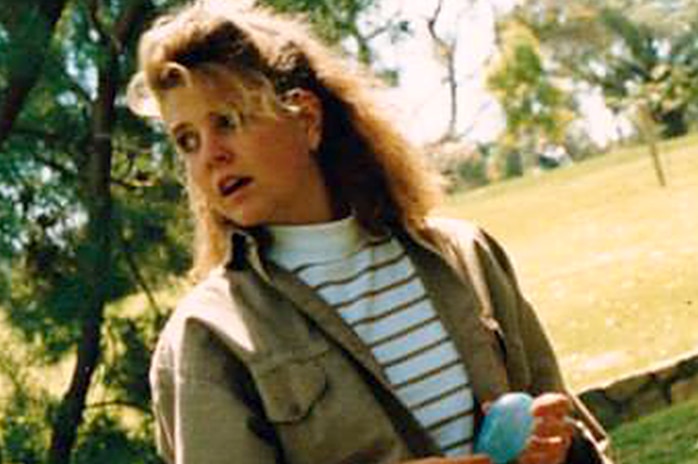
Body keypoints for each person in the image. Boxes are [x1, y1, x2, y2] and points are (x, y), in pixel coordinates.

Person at [127, 1, 612, 463]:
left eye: (227, 121)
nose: (210, 155)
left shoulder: (466, 255)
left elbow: (571, 428)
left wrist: (554, 446)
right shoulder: (208, 337)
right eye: (187, 140)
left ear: (308, 119)